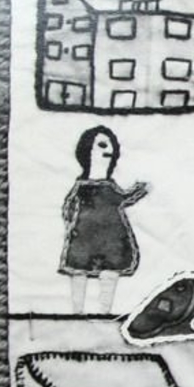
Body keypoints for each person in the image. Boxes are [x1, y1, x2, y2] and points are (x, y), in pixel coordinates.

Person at [59, 126, 148, 314]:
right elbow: (69, 208)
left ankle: (103, 312)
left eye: (111, 147)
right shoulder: (81, 186)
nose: (109, 151)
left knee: (109, 274)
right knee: (80, 272)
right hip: (85, 238)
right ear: (86, 150)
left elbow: (123, 198)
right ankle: (77, 312)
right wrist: (71, 226)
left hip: (111, 241)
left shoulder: (109, 186)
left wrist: (139, 190)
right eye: (102, 145)